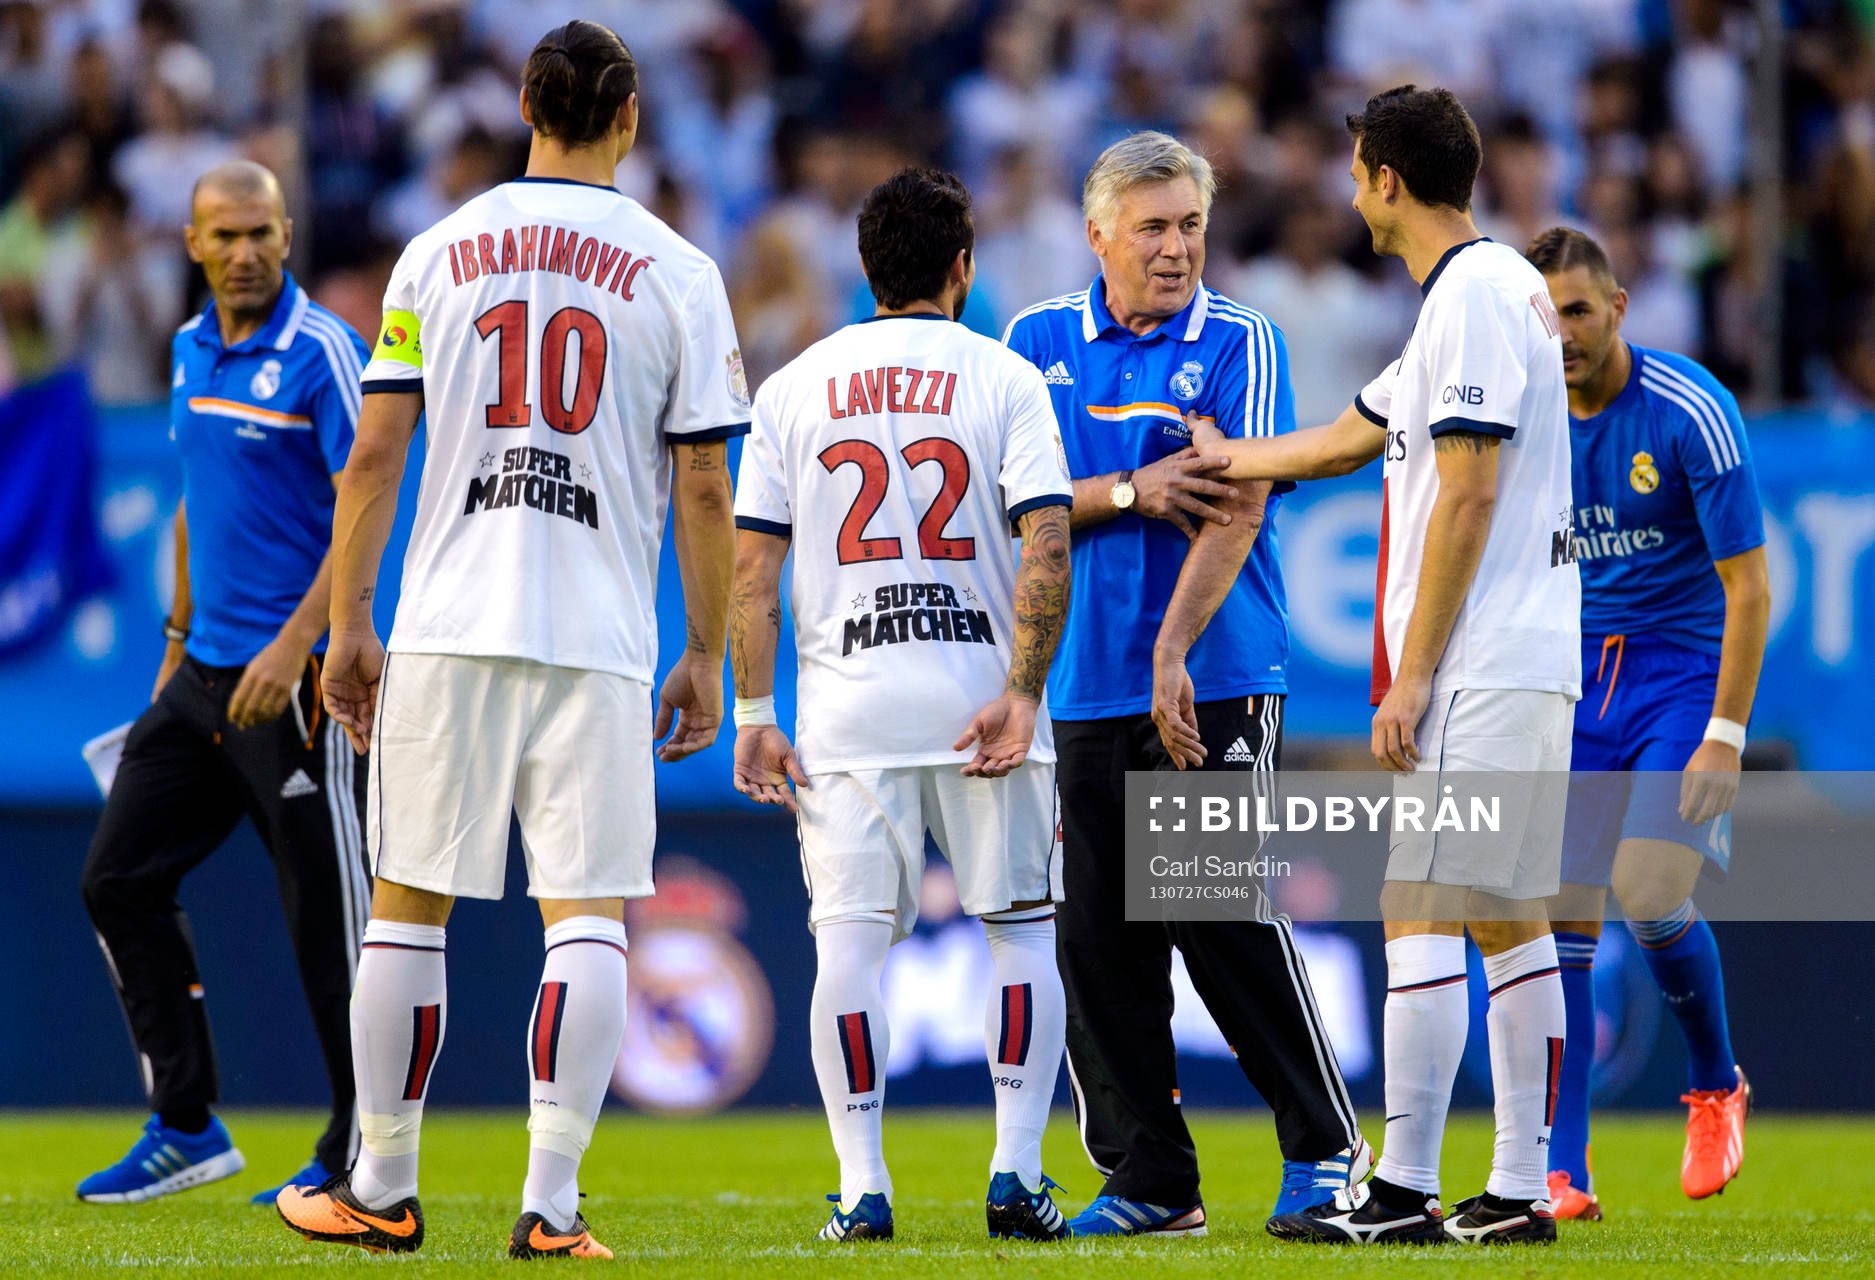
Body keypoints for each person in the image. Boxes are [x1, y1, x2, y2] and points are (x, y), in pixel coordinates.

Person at [273, 21, 745, 1259]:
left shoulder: (438, 252)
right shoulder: (681, 270)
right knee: (587, 918)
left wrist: (349, 624)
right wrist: (707, 647)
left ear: (524, 105)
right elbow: (705, 484)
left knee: (407, 913)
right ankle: (551, 1204)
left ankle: (380, 1183)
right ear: (630, 116)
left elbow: (373, 454)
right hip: (595, 634)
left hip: (447, 617)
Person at [1181, 86, 1581, 1245]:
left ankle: (1401, 1187)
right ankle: (1515, 1190)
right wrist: (1233, 457)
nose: (1350, 191)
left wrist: (1412, 672)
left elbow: (1466, 491)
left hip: (1479, 657)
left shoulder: (1469, 301)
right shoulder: (1481, 294)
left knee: (1421, 903)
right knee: (1509, 914)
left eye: (1358, 172)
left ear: (1387, 180)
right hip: (1523, 651)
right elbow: (1357, 435)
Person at [1001, 130, 1366, 1240]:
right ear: (1099, 232)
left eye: (1191, 225)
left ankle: (1326, 1149)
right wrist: (1133, 483)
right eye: (1153, 227)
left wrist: (1170, 649)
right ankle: (1154, 1178)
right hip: (1085, 684)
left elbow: (1239, 502)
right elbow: (1027, 499)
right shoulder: (1036, 340)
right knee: (1099, 940)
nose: (1175, 248)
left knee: (1211, 905)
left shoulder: (1242, 339)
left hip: (1213, 673)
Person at [729, 167, 1075, 1244]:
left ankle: (862, 1185)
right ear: (962, 267)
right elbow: (1048, 540)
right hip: (980, 701)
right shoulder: (1006, 375)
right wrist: (1023, 691)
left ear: (864, 267)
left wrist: (752, 712)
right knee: (1020, 933)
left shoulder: (794, 386)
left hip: (848, 709)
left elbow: (750, 570)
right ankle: (1015, 1175)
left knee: (848, 946)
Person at [76, 160, 371, 1205]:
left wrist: (301, 644)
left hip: (292, 691)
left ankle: (358, 1152)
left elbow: (366, 509)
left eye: (261, 232)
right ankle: (187, 1122)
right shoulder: (190, 346)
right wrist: (176, 635)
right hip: (202, 677)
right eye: (224, 235)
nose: (244, 252)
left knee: (329, 926)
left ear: (288, 234)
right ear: (192, 243)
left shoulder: (326, 354)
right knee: (117, 877)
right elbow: (200, 501)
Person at [1528, 226, 1766, 1220]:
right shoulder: (1524, 419)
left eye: (1580, 311)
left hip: (1678, 675)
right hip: (1573, 680)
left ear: (1619, 306)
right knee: (1561, 924)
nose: (1565, 334)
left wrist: (1726, 731)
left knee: (1648, 887)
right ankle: (1563, 1168)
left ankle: (1716, 1081)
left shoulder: (1689, 410)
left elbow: (1747, 585)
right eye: (1547, 318)